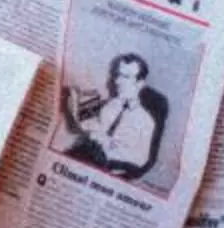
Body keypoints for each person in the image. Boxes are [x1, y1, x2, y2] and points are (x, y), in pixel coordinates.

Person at [60, 51, 169, 182]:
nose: (117, 81)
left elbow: (140, 161)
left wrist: (109, 148)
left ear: (140, 83)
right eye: (118, 75)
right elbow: (95, 128)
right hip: (85, 158)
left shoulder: (146, 121)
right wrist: (76, 106)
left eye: (126, 77)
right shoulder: (110, 105)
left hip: (108, 171)